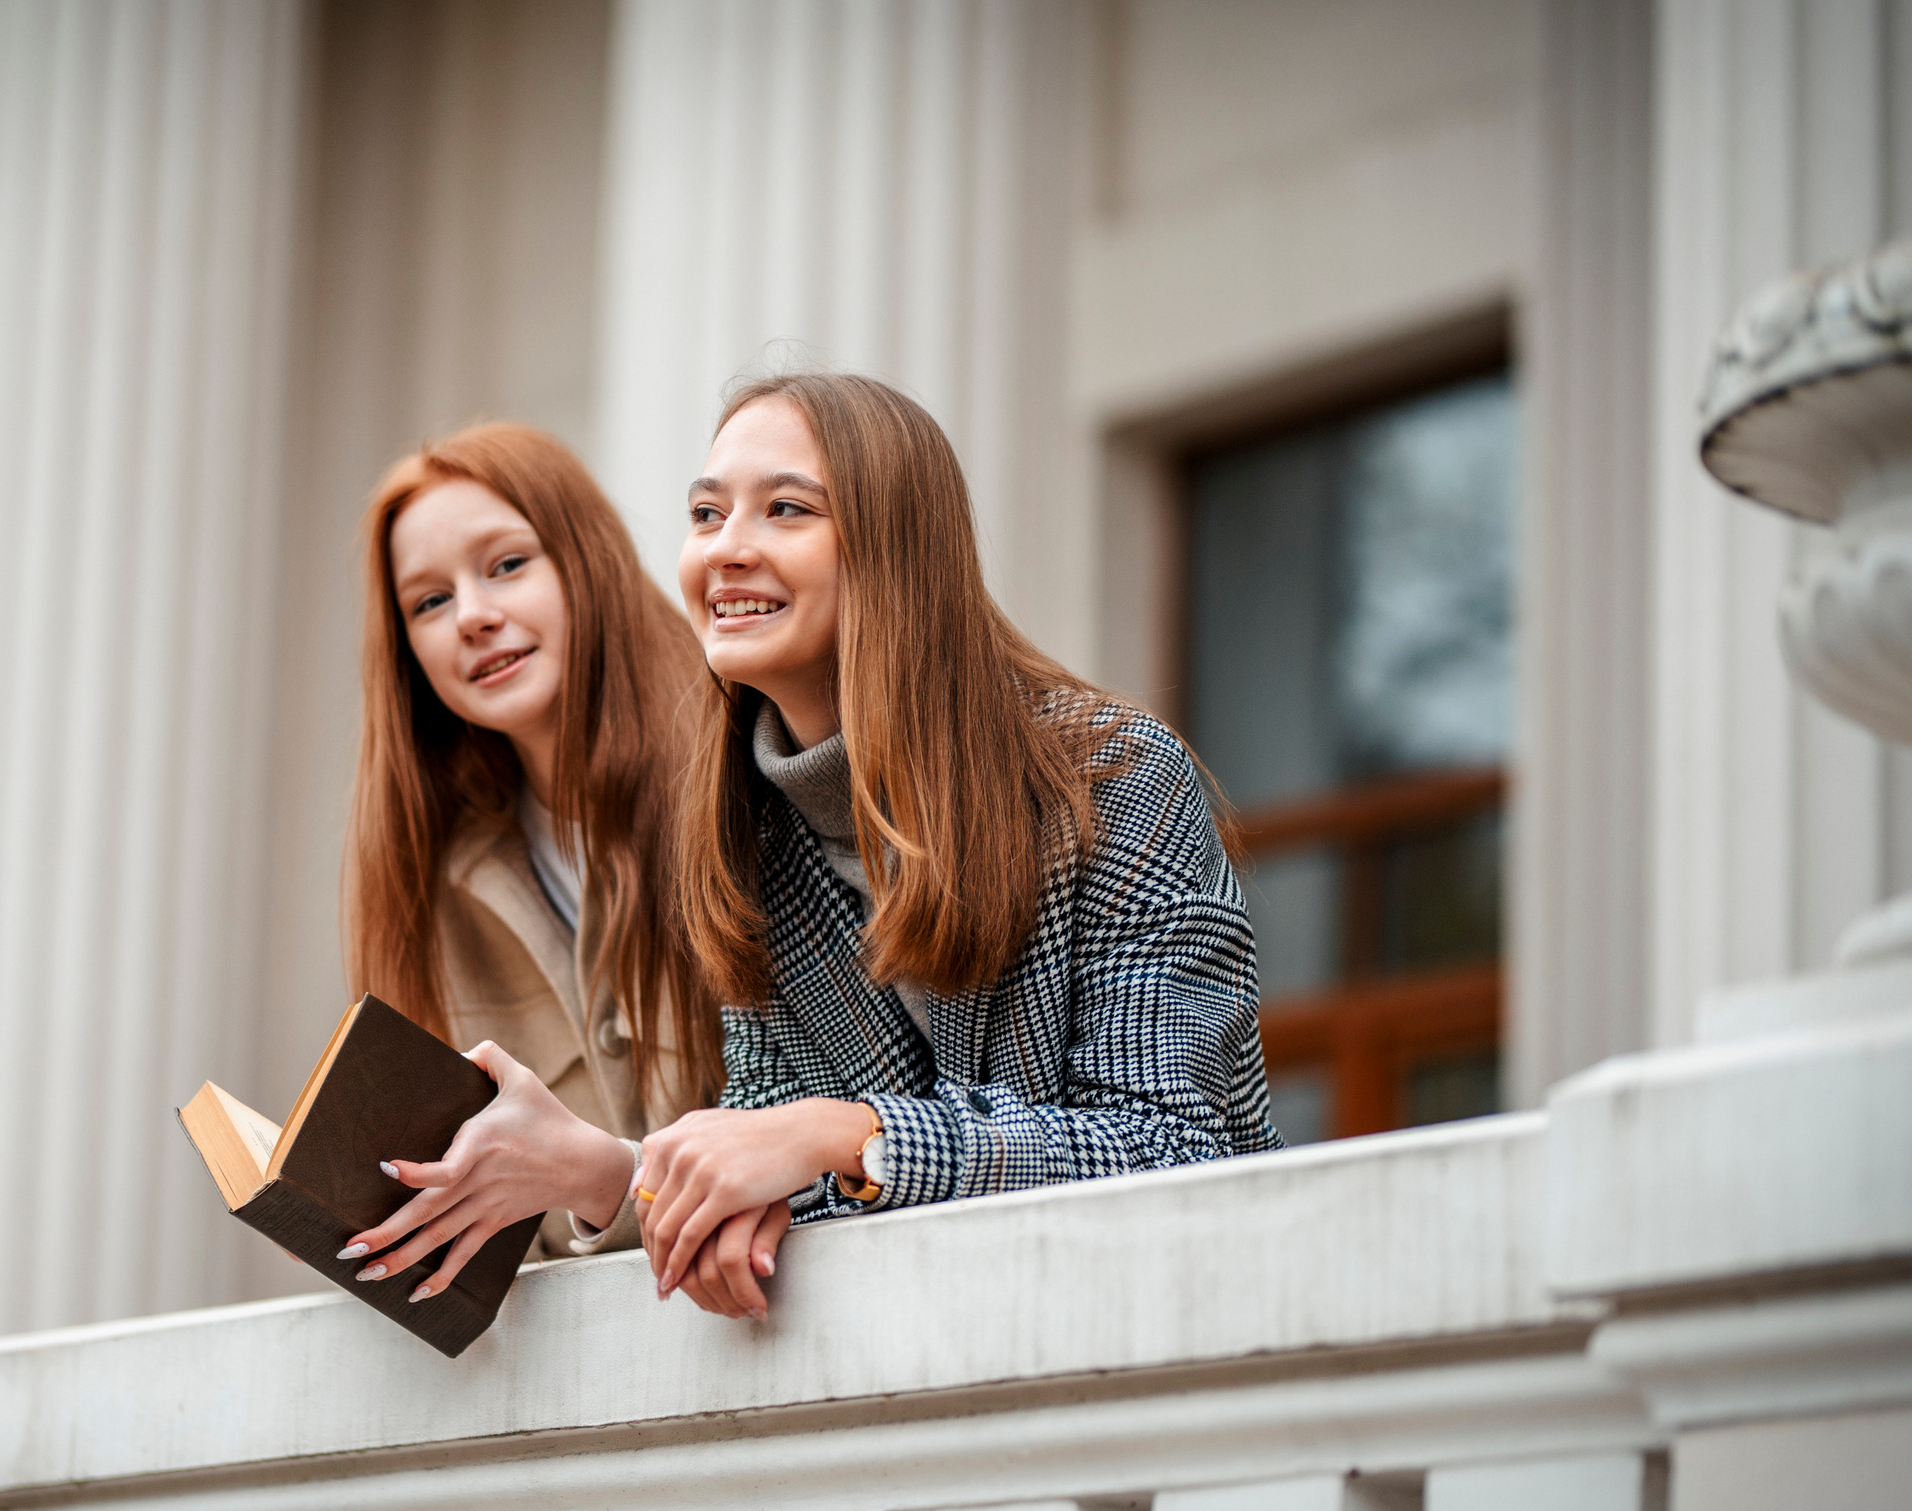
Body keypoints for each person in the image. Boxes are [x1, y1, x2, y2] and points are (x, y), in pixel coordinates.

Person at [638, 371, 1281, 1323]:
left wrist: (847, 1135)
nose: (727, 549)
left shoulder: (1108, 780)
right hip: (935, 1375)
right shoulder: (743, 838)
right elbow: (778, 1168)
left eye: (785, 509)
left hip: (1174, 1346)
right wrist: (748, 1190)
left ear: (896, 547)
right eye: (705, 513)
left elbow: (1170, 1150)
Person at [334, 423, 719, 1299]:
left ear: (586, 562)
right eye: (428, 602)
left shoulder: (743, 790)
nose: (471, 614)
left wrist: (604, 1178)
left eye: (506, 565)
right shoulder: (436, 891)